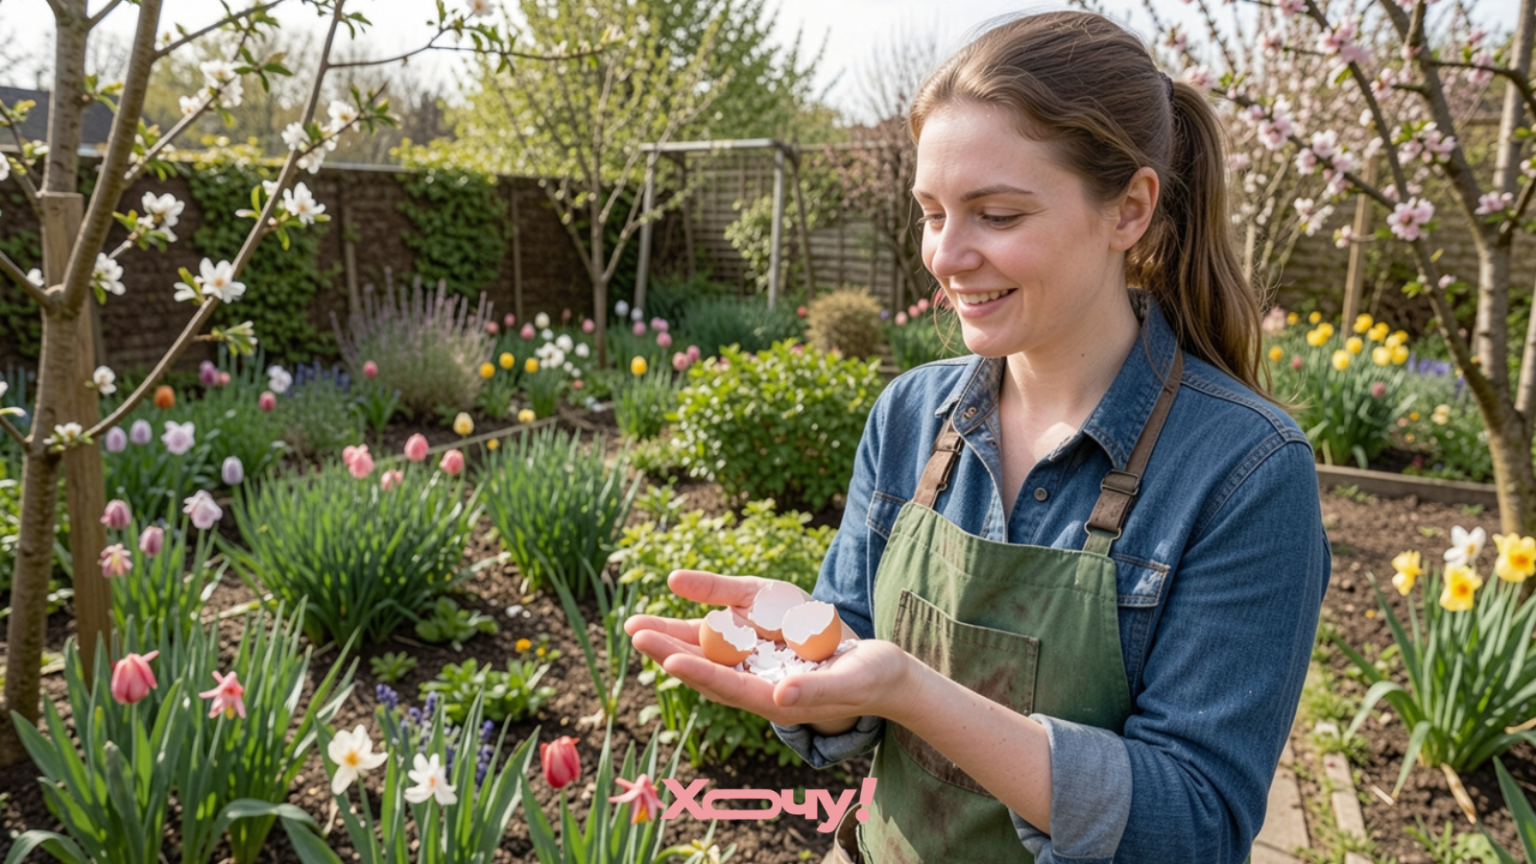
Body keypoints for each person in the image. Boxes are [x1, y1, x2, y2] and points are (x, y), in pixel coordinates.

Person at [623, 10, 1331, 863]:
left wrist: (914, 692)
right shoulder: (911, 416)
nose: (946, 256)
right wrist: (810, 673)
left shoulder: (1244, 470)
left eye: (994, 215)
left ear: (1131, 210)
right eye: (931, 212)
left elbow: (1193, 824)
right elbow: (848, 662)